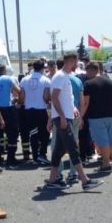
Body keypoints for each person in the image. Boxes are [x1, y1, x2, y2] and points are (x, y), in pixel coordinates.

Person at [44, 53, 103, 191]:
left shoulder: (65, 76)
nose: (77, 64)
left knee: (58, 151)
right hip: (62, 118)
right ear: (71, 61)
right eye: (76, 61)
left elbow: (66, 98)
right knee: (73, 149)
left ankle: (52, 180)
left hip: (66, 116)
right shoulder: (60, 76)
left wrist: (73, 108)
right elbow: (54, 97)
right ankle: (85, 181)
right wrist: (63, 116)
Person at [81, 62, 112, 171]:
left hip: (96, 117)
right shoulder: (110, 82)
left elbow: (86, 103)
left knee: (103, 141)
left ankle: (106, 164)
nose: (87, 73)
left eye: (87, 71)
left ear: (91, 70)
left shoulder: (88, 84)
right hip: (111, 115)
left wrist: (81, 117)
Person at [19, 61, 51, 165]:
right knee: (45, 133)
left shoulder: (24, 80)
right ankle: (42, 154)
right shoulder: (46, 80)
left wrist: (21, 103)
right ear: (42, 69)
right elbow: (46, 97)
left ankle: (35, 156)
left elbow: (22, 96)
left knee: (33, 134)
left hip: (29, 111)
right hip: (41, 110)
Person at [0, 64, 21, 165]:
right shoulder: (8, 79)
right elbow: (18, 91)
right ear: (4, 70)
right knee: (12, 133)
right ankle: (11, 158)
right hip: (7, 109)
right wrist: (18, 101)